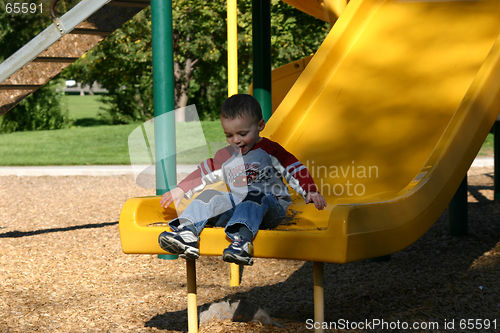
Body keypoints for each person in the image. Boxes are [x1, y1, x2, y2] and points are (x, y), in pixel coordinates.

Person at [158, 94, 326, 265]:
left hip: (271, 207)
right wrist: (182, 188)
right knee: (209, 195)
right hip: (237, 207)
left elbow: (294, 168)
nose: (236, 140)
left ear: (260, 126)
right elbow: (205, 171)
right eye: (229, 135)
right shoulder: (226, 155)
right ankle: (187, 232)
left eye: (243, 133)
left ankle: (242, 243)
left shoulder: (269, 150)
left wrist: (309, 190)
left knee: (251, 194)